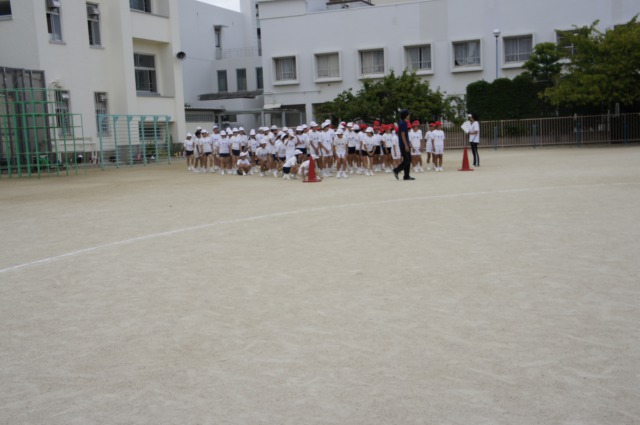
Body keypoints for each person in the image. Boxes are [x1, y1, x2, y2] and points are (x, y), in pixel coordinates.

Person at [393, 109, 414, 180]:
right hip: (403, 145)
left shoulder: (404, 123)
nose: (409, 115)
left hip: (405, 144)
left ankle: (406, 176)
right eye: (408, 114)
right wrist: (406, 145)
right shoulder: (403, 124)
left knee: (408, 159)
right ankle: (396, 170)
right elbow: (402, 135)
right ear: (406, 115)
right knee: (406, 160)